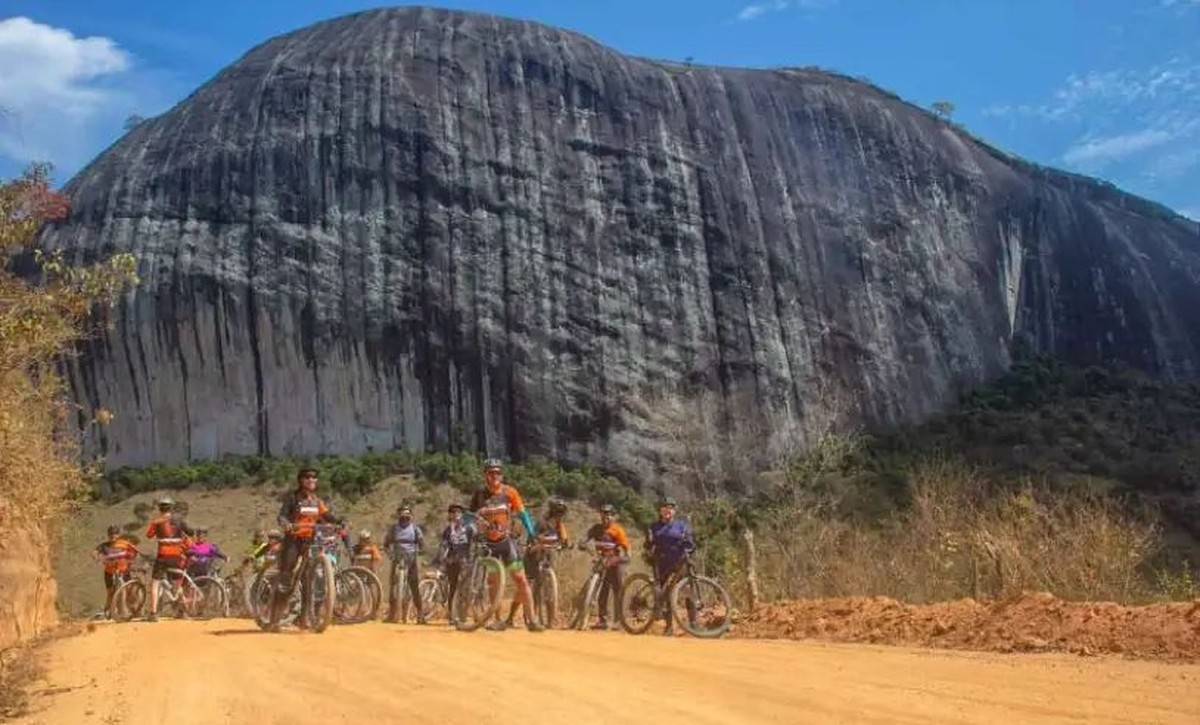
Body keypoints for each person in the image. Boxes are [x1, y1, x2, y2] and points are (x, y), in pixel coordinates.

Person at [467, 458, 544, 632]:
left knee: (521, 580)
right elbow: (469, 516)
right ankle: (497, 619)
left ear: (501, 474)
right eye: (491, 473)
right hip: (488, 544)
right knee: (494, 582)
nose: (495, 476)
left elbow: (523, 514)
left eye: (498, 472)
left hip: (506, 542)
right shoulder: (479, 494)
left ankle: (532, 619)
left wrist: (531, 533)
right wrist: (473, 525)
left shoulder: (510, 492)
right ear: (485, 475)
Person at [267, 467, 343, 631]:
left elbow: (327, 515)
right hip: (293, 540)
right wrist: (286, 524)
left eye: (314, 478)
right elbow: (282, 515)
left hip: (309, 541)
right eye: (308, 478)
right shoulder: (293, 498)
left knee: (308, 580)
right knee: (286, 578)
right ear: (301, 480)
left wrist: (339, 522)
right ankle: (274, 619)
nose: (312, 480)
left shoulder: (316, 500)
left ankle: (304, 618)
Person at [504, 498, 570, 627]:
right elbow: (533, 538)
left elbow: (564, 539)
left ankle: (550, 621)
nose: (559, 515)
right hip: (533, 555)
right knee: (525, 586)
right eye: (557, 512)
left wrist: (564, 544)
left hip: (548, 556)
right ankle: (511, 617)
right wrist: (537, 544)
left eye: (561, 513)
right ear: (552, 512)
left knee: (549, 588)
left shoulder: (559, 525)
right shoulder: (541, 523)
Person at [645, 496, 696, 635]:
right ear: (660, 510)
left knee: (688, 594)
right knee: (666, 594)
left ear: (674, 511)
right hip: (661, 563)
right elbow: (648, 545)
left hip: (680, 562)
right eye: (665, 507)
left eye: (671, 507)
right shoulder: (654, 527)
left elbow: (690, 540)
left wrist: (689, 548)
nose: (668, 510)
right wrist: (649, 543)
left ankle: (694, 624)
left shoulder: (682, 525)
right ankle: (669, 627)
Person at [578, 503, 630, 630]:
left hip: (615, 562)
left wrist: (618, 558)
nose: (606, 517)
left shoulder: (617, 530)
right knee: (602, 591)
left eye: (609, 514)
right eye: (603, 514)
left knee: (618, 590)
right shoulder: (596, 528)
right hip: (602, 561)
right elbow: (585, 538)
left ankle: (619, 620)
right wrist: (582, 543)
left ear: (613, 516)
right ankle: (602, 620)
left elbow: (625, 548)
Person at [144, 496, 194, 622]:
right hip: (176, 556)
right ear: (171, 508)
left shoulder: (156, 521)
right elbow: (191, 532)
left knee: (155, 583)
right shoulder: (179, 520)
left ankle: (154, 613)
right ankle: (182, 612)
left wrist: (156, 524)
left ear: (160, 508)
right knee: (177, 584)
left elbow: (149, 535)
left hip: (162, 556)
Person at [432, 503, 476, 626]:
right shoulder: (448, 530)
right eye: (453, 512)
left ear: (461, 515)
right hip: (452, 561)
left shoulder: (469, 528)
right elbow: (443, 546)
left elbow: (476, 539)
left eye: (458, 512)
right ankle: (452, 615)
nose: (456, 514)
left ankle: (462, 615)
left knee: (464, 589)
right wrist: (440, 559)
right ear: (450, 515)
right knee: (453, 587)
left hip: (465, 561)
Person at [383, 505, 426, 623]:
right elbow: (386, 544)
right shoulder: (394, 528)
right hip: (397, 558)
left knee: (414, 586)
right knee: (392, 586)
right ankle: (392, 614)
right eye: (402, 516)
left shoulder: (415, 529)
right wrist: (389, 553)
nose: (405, 518)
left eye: (407, 516)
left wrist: (421, 550)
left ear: (411, 517)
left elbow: (422, 543)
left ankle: (420, 614)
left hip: (411, 558)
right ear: (398, 517)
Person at [92, 525, 140, 619]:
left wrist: (131, 561)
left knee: (128, 590)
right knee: (110, 593)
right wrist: (98, 558)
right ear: (108, 535)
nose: (113, 536)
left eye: (115, 534)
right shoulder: (104, 546)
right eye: (111, 534)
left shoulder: (124, 543)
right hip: (109, 572)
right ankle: (108, 611)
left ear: (118, 534)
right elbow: (94, 552)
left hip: (124, 571)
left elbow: (136, 552)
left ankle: (129, 610)